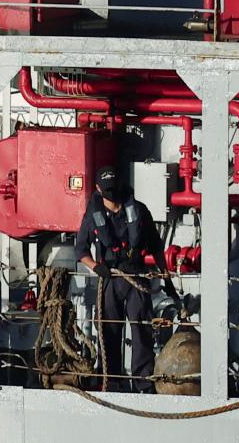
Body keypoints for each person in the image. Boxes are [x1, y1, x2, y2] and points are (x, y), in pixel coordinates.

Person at [73, 165, 173, 393]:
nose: (111, 193)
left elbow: (156, 247)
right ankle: (111, 380)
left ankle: (143, 383)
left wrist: (165, 276)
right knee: (108, 329)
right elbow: (81, 250)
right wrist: (96, 267)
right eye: (106, 189)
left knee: (141, 329)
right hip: (110, 278)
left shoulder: (139, 210)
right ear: (98, 189)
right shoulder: (93, 216)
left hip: (137, 276)